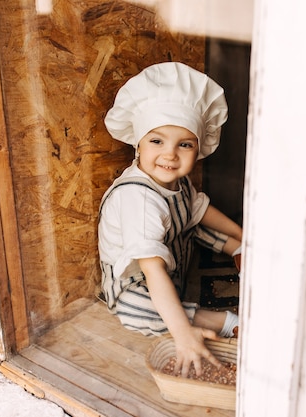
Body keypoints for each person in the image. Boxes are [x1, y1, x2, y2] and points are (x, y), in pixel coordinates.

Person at [98, 62, 243, 378]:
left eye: (185, 144)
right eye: (157, 141)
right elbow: (151, 269)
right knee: (139, 313)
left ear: (199, 148)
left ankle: (238, 249)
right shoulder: (138, 196)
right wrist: (182, 333)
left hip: (173, 261)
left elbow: (199, 211)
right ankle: (224, 322)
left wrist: (242, 236)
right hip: (137, 281)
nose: (170, 155)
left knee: (194, 225)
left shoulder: (176, 182)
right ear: (138, 143)